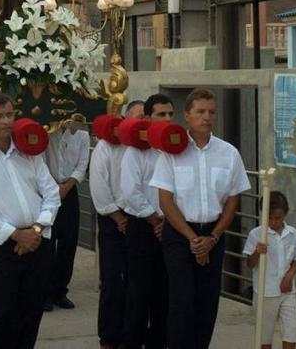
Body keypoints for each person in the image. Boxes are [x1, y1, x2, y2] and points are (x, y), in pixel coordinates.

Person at [150, 88, 251, 349]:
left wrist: (213, 237)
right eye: (200, 112)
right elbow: (165, 200)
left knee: (207, 301)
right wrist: (193, 239)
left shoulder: (228, 153)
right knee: (182, 300)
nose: (207, 117)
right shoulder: (172, 151)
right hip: (180, 234)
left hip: (214, 234)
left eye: (211, 112)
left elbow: (232, 199)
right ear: (187, 116)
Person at [0, 93, 61, 349]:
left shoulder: (29, 152)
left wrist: (38, 228)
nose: (7, 121)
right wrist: (16, 234)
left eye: (10, 114)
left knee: (32, 312)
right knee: (3, 315)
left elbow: (51, 193)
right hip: (6, 246)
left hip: (38, 241)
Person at [120, 94, 174, 349]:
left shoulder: (174, 148)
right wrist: (154, 219)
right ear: (148, 118)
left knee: (164, 293)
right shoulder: (135, 152)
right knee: (139, 292)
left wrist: (168, 221)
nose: (166, 119)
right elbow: (130, 191)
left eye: (170, 114)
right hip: (143, 226)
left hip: (170, 226)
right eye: (161, 114)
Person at [89, 100, 143, 349]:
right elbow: (99, 186)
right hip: (114, 218)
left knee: (137, 280)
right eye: (136, 116)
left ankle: (133, 334)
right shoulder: (106, 146)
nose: (140, 122)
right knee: (113, 281)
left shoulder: (148, 145)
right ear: (125, 118)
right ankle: (109, 337)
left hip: (141, 217)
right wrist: (118, 217)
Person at [243, 191, 296, 349]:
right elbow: (249, 264)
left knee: (291, 332)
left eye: (277, 218)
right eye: (269, 218)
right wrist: (257, 251)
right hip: (265, 293)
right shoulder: (256, 234)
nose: (273, 222)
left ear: (285, 214)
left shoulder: (292, 234)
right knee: (264, 338)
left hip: (287, 293)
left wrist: (289, 277)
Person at [43, 120, 89, 312]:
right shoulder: (46, 132)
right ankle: (44, 292)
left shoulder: (81, 135)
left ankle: (60, 290)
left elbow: (82, 165)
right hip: (47, 189)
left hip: (69, 191)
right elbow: (40, 162)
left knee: (68, 242)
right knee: (47, 242)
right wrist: (53, 187)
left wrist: (68, 185)